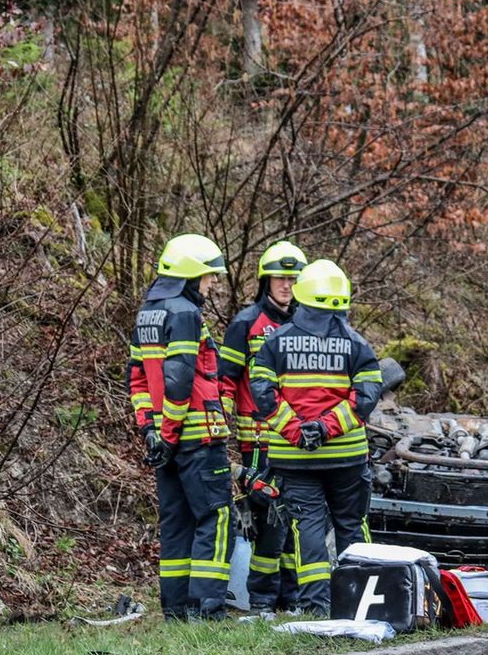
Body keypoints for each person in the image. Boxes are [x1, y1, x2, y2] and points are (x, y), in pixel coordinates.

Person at [249, 259, 383, 615]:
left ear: (301, 295)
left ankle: (314, 607)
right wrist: (327, 427)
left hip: (296, 459)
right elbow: (365, 398)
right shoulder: (357, 345)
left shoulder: (274, 342)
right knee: (351, 526)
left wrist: (297, 431)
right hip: (346, 457)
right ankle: (361, 604)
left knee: (305, 528)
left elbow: (262, 393)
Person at [127, 233, 236, 620]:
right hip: (196, 438)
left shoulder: (148, 313)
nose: (213, 283)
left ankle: (176, 609)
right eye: (208, 276)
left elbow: (137, 380)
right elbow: (179, 379)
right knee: (217, 516)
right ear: (190, 275)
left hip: (166, 442)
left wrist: (152, 432)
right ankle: (209, 609)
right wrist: (170, 433)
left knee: (176, 522)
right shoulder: (186, 314)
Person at [220, 241, 308, 614]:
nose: (287, 285)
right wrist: (223, 435)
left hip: (299, 439)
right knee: (269, 522)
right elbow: (224, 381)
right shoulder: (246, 323)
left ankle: (292, 598)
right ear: (265, 281)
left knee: (296, 521)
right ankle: (261, 601)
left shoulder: (307, 322)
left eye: (293, 278)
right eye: (279, 278)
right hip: (257, 441)